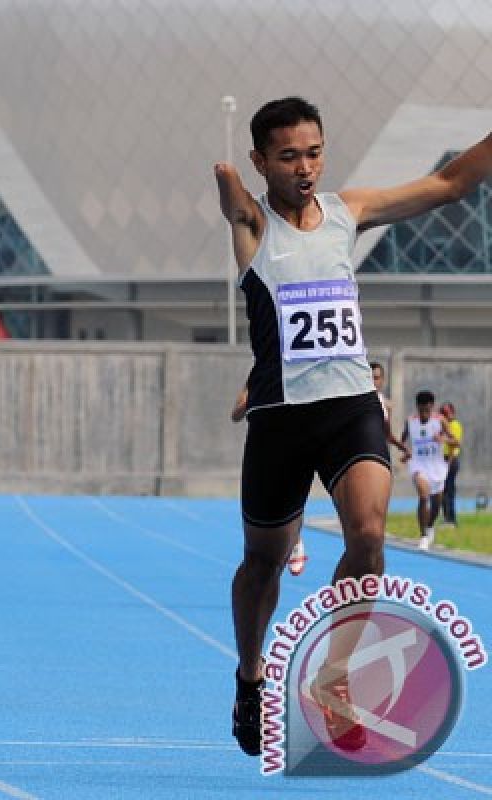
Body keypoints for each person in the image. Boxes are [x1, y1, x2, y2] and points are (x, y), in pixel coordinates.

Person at [214, 97, 492, 756]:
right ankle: (250, 677)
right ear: (263, 161)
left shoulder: (349, 211)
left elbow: (450, 184)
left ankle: (334, 676)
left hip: (350, 406)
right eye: (287, 157)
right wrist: (227, 178)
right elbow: (232, 197)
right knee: (262, 566)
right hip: (281, 417)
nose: (305, 167)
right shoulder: (255, 225)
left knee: (368, 534)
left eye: (314, 152)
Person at [230, 386, 307, 576]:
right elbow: (235, 415)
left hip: (300, 438)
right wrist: (260, 393)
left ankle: (295, 538)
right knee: (268, 509)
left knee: (295, 490)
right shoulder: (259, 378)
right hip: (267, 441)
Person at [401, 390, 455, 550]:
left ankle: (430, 525)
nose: (424, 413)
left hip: (437, 466)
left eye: (427, 410)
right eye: (421, 410)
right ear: (417, 407)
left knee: (436, 502)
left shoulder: (440, 421)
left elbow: (455, 441)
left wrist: (443, 439)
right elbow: (403, 439)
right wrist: (406, 452)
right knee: (424, 496)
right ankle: (423, 535)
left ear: (432, 407)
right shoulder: (411, 421)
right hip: (418, 464)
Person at [369, 361, 410, 461]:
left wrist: (404, 449)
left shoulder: (387, 405)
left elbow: (387, 435)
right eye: (369, 378)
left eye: (376, 378)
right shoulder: (356, 402)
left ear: (382, 380)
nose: (373, 382)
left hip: (378, 453)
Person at [440, 401, 462, 526]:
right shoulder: (444, 425)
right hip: (444, 459)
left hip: (451, 460)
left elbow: (456, 443)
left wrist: (449, 462)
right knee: (444, 491)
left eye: (446, 413)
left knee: (449, 491)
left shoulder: (454, 425)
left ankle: (451, 519)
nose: (444, 416)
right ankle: (447, 518)